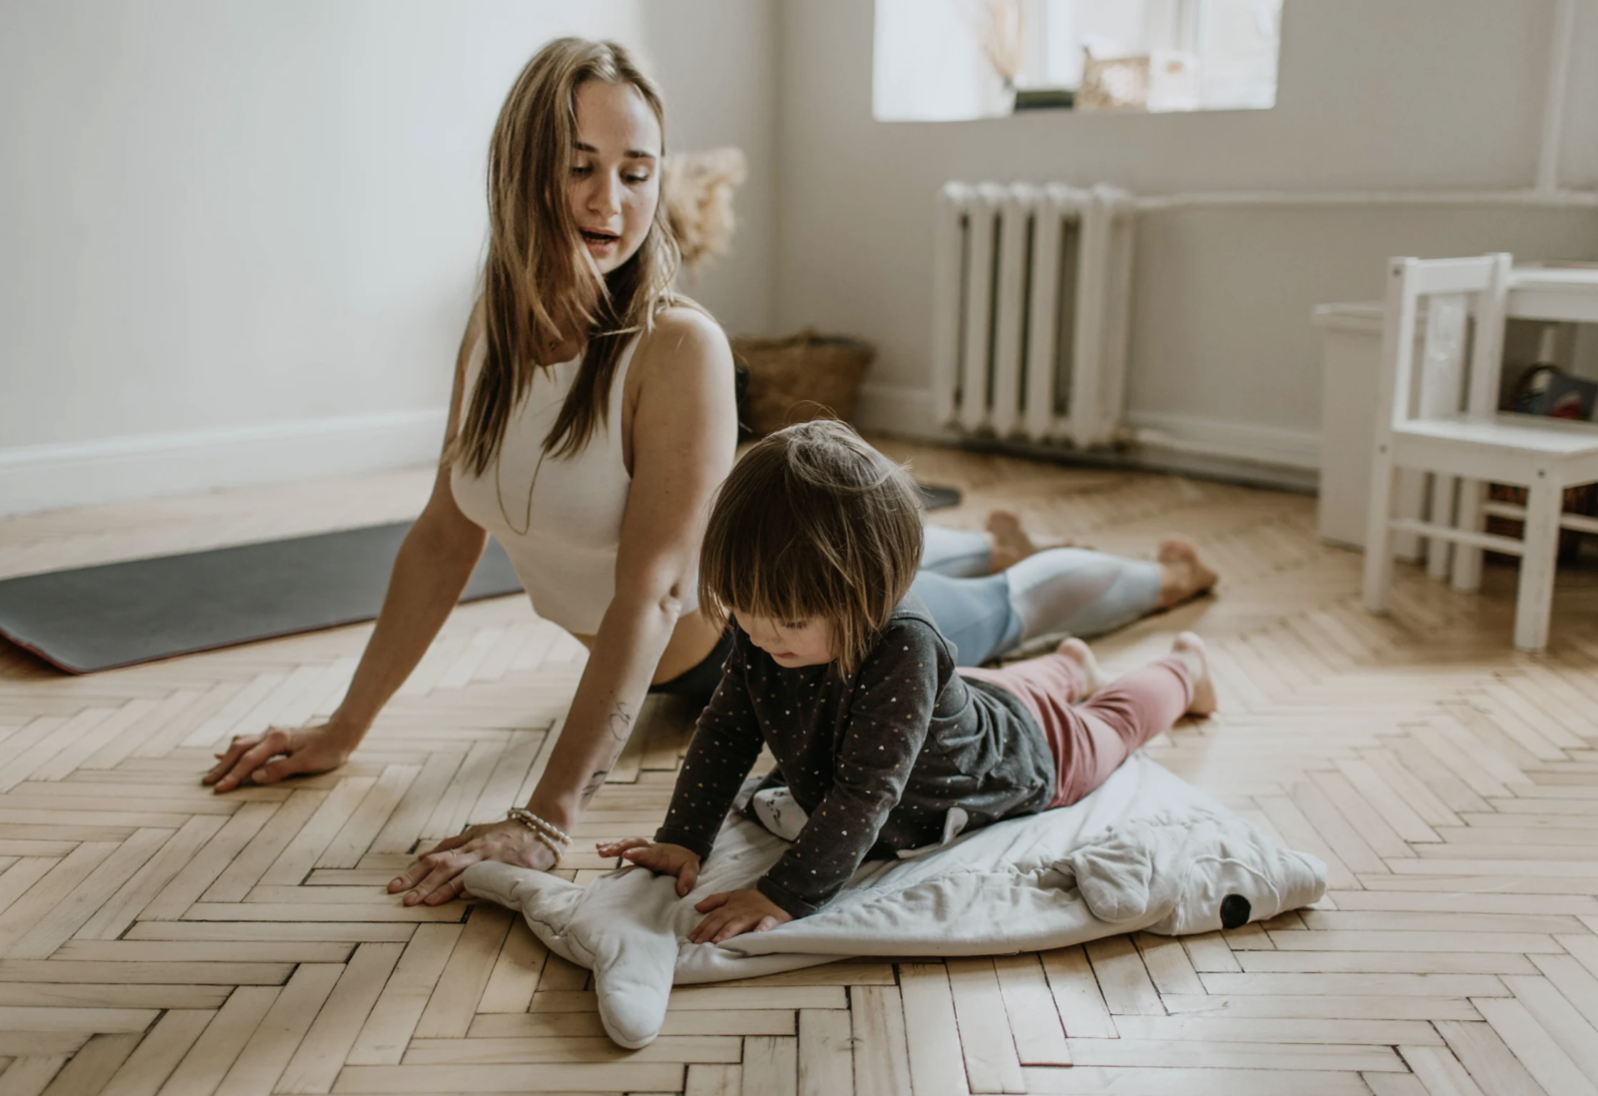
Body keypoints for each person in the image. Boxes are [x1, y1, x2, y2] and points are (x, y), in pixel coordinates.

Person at [200, 37, 1216, 907]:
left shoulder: (673, 347)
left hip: (789, 641)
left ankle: (1160, 586)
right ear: (520, 169)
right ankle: (986, 561)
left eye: (636, 171)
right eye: (579, 165)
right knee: (956, 581)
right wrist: (345, 725)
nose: (611, 200)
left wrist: (546, 818)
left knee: (998, 606)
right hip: (744, 625)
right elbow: (440, 537)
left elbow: (652, 590)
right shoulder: (492, 332)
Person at [598, 422, 1216, 942]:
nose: (759, 636)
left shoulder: (905, 646)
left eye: (786, 621)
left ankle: (1184, 669)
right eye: (743, 611)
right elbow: (728, 730)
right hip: (968, 700)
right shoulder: (768, 629)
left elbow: (866, 793)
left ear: (870, 592)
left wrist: (784, 893)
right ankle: (1072, 664)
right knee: (1000, 690)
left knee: (1111, 723)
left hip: (1023, 752)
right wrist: (683, 837)